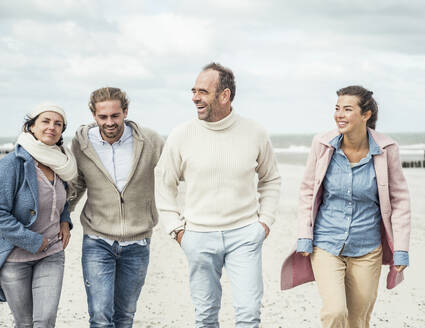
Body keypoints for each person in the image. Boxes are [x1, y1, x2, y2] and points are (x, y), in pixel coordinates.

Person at [155, 62, 281, 327]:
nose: (195, 98)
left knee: (249, 313)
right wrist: (177, 230)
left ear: (224, 96)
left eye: (202, 92)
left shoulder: (255, 132)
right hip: (198, 236)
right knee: (206, 316)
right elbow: (164, 184)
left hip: (245, 234)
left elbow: (270, 179)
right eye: (193, 91)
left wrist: (264, 223)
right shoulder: (181, 135)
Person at [280, 86, 411, 328]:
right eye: (337, 108)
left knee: (358, 321)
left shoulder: (386, 149)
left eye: (347, 109)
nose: (339, 114)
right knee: (334, 312)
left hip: (367, 249)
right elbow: (307, 191)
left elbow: (400, 200)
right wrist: (304, 234)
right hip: (326, 243)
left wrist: (401, 248)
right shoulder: (323, 144)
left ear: (366, 115)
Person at [69, 87, 164, 327]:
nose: (109, 122)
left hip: (138, 242)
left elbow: (174, 173)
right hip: (97, 240)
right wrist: (61, 216)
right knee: (100, 316)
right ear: (94, 115)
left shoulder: (150, 140)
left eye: (115, 116)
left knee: (125, 317)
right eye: (103, 117)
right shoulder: (81, 144)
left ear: (125, 112)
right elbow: (78, 184)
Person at [0, 104, 76, 327]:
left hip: (52, 253)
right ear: (31, 126)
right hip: (15, 259)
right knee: (24, 323)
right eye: (45, 121)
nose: (52, 127)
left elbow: (61, 200)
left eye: (58, 123)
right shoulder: (12, 164)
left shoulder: (61, 163)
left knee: (45, 321)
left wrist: (65, 220)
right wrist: (32, 241)